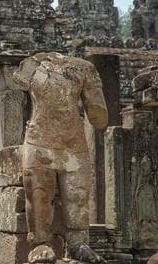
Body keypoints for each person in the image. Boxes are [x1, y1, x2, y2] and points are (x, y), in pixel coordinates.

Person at [13, 52, 108, 264]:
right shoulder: (34, 64)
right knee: (38, 193)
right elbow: (17, 79)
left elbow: (99, 116)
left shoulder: (85, 69)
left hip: (73, 143)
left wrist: (91, 87)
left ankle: (78, 243)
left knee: (78, 196)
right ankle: (40, 243)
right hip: (40, 140)